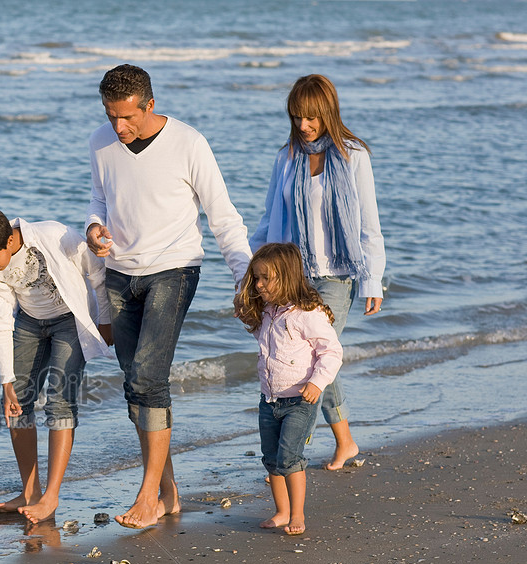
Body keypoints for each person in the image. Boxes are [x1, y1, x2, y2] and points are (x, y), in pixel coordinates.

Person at [85, 63, 252, 528]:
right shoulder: (101, 142)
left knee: (148, 378)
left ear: (150, 105)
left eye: (127, 117)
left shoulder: (189, 143)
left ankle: (148, 495)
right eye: (110, 116)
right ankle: (168, 491)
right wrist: (93, 228)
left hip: (174, 269)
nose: (118, 127)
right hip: (119, 273)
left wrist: (245, 277)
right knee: (135, 386)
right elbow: (99, 198)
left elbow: (223, 216)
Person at [249, 73, 386, 470]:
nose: (304, 126)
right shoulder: (286, 157)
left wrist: (372, 279)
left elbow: (367, 223)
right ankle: (340, 443)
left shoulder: (353, 156)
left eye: (311, 118)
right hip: (290, 276)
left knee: (317, 360)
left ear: (327, 113)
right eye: (296, 118)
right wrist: (250, 265)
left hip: (336, 275)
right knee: (306, 360)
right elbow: (270, 215)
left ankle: (291, 455)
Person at [0, 207, 113, 524]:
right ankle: (30, 492)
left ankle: (50, 498)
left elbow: (96, 271)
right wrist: (7, 383)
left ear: (9, 241)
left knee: (59, 402)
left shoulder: (53, 235)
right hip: (30, 323)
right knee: (16, 404)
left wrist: (106, 321)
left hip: (71, 321)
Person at [235, 243, 343, 535]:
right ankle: (281, 512)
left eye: (265, 278)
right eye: (255, 277)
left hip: (301, 401)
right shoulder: (268, 312)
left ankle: (298, 515)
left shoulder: (307, 314)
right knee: (271, 458)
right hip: (269, 400)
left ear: (286, 277)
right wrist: (246, 310)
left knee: (289, 458)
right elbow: (264, 340)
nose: (258, 284)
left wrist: (317, 382)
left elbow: (331, 352)